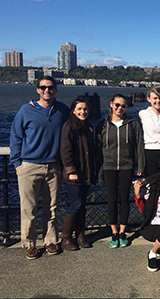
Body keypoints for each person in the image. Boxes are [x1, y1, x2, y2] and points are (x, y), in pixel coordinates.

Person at [10, 76, 69, 259]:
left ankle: (51, 240)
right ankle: (29, 243)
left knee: (51, 207)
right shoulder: (26, 110)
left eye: (50, 88)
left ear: (55, 90)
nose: (46, 91)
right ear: (37, 90)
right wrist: (18, 164)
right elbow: (15, 137)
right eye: (42, 87)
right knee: (29, 208)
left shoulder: (62, 110)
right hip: (29, 166)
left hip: (53, 166)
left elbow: (72, 129)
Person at [96, 94, 145, 248]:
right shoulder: (103, 124)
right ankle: (114, 232)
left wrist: (141, 166)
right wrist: (99, 169)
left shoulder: (132, 123)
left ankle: (123, 231)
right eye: (117, 105)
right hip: (109, 166)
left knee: (124, 199)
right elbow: (98, 148)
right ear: (111, 104)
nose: (120, 108)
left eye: (123, 106)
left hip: (127, 166)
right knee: (112, 199)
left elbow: (139, 145)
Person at [60, 96, 95, 251]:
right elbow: (65, 150)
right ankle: (66, 238)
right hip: (74, 173)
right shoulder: (69, 126)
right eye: (79, 109)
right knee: (76, 204)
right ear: (73, 110)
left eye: (85, 109)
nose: (83, 111)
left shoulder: (87, 127)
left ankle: (80, 236)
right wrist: (70, 170)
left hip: (85, 172)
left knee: (82, 205)